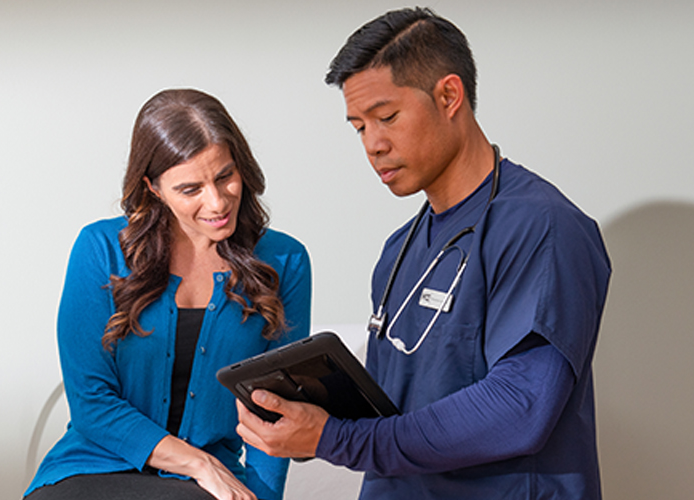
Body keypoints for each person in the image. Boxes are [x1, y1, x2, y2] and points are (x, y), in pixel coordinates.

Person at [235, 8, 610, 500]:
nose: (373, 145)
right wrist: (305, 420)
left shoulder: (542, 228)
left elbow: (520, 407)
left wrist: (337, 438)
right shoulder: (399, 251)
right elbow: (401, 411)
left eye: (386, 117)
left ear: (449, 96)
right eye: (359, 127)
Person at [25, 88, 312, 500]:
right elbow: (91, 403)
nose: (216, 202)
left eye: (225, 176)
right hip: (91, 469)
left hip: (202, 489)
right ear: (154, 187)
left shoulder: (285, 261)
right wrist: (199, 463)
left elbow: (275, 407)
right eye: (190, 189)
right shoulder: (100, 249)